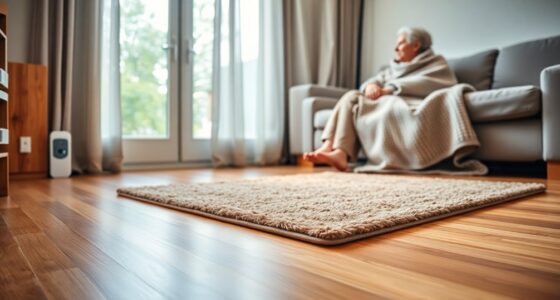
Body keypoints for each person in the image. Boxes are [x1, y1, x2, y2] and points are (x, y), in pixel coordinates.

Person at [303, 27, 459, 172]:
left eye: (400, 43)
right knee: (351, 96)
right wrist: (371, 85)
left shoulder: (436, 62)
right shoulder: (394, 68)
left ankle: (337, 151)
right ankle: (332, 148)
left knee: (353, 100)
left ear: (416, 45)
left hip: (409, 103)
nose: (395, 48)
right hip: (384, 100)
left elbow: (432, 82)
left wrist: (390, 89)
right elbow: (377, 79)